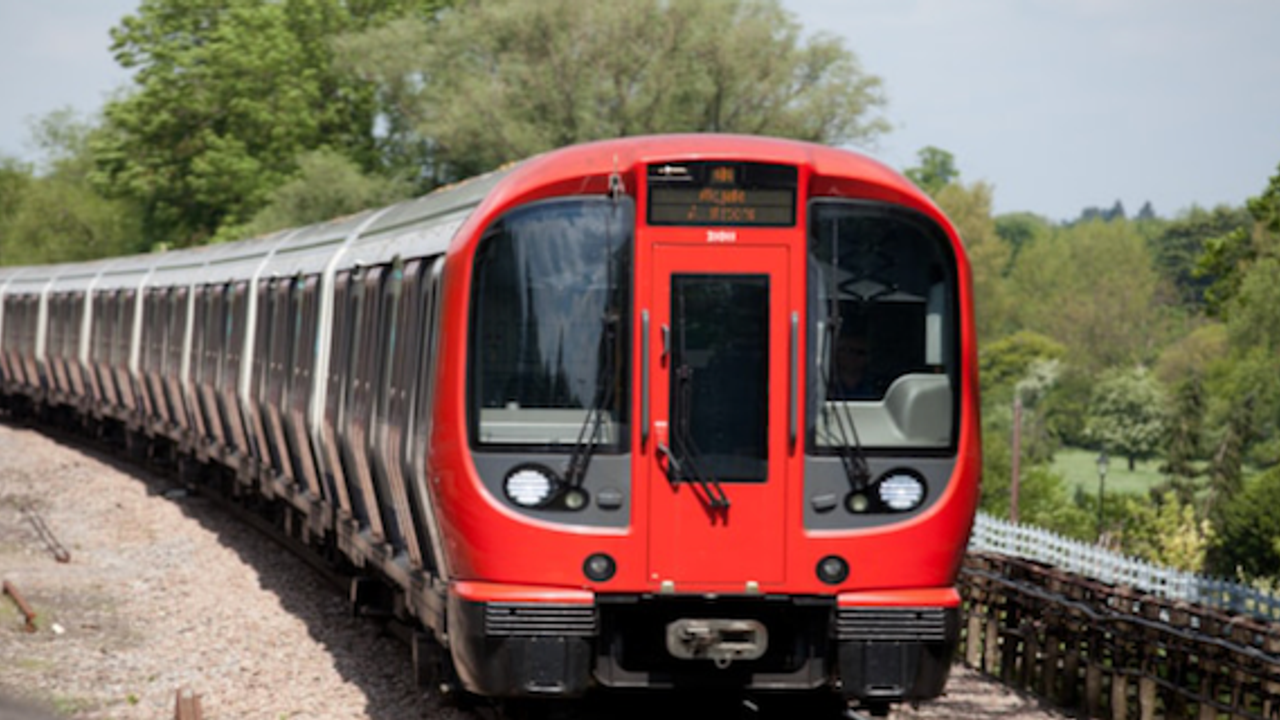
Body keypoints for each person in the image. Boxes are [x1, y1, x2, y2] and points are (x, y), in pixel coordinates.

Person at [829, 330, 879, 400]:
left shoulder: (876, 387)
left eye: (860, 352)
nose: (853, 356)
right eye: (848, 350)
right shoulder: (825, 384)